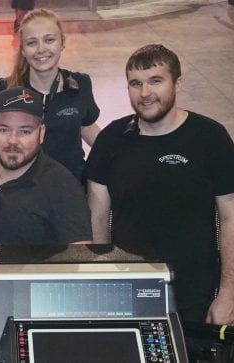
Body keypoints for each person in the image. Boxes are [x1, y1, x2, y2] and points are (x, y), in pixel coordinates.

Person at [86, 44, 234, 329]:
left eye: (156, 81)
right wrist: (102, 284)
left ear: (178, 82)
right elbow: (97, 219)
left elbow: (230, 217)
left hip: (196, 294)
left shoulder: (211, 138)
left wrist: (228, 292)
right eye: (135, 83)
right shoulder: (111, 141)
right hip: (127, 291)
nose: (145, 93)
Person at [0, 9, 101, 182]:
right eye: (32, 43)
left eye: (49, 40)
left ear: (62, 43)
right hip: (24, 188)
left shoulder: (80, 84)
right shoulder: (6, 89)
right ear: (22, 50)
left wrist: (122, 156)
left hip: (71, 185)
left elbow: (86, 127)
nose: (41, 49)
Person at [0, 87, 91, 244]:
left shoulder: (63, 188)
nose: (13, 140)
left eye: (25, 131)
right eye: (4, 129)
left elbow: (79, 261)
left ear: (41, 133)